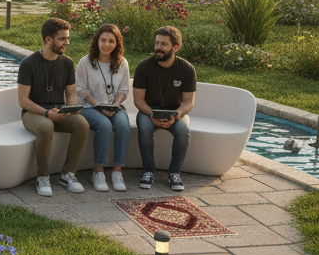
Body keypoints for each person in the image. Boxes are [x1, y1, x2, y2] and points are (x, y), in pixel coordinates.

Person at [17, 18, 89, 196]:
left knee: (81, 123)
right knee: (46, 126)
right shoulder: (28, 64)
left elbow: (71, 93)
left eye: (67, 38)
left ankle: (68, 173)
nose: (67, 43)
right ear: (48, 39)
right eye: (62, 39)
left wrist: (71, 109)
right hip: (33, 113)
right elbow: (23, 100)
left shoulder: (67, 63)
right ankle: (43, 176)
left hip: (58, 111)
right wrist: (47, 113)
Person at [132, 26, 197, 191]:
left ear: (175, 47)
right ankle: (148, 171)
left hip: (175, 111)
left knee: (183, 131)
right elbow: (138, 100)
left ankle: (174, 173)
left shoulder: (187, 69)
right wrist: (151, 114)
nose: (158, 48)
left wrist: (177, 115)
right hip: (149, 110)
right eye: (157, 43)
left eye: (163, 44)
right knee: (145, 127)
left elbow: (188, 102)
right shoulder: (144, 67)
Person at [76, 23, 131, 192]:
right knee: (104, 125)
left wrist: (114, 106)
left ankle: (117, 172)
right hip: (89, 106)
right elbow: (81, 90)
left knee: (123, 125)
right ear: (97, 41)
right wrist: (98, 106)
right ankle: (98, 172)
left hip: (114, 106)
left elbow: (123, 90)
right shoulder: (85, 62)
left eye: (111, 41)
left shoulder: (122, 63)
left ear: (117, 44)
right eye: (103, 40)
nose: (106, 45)